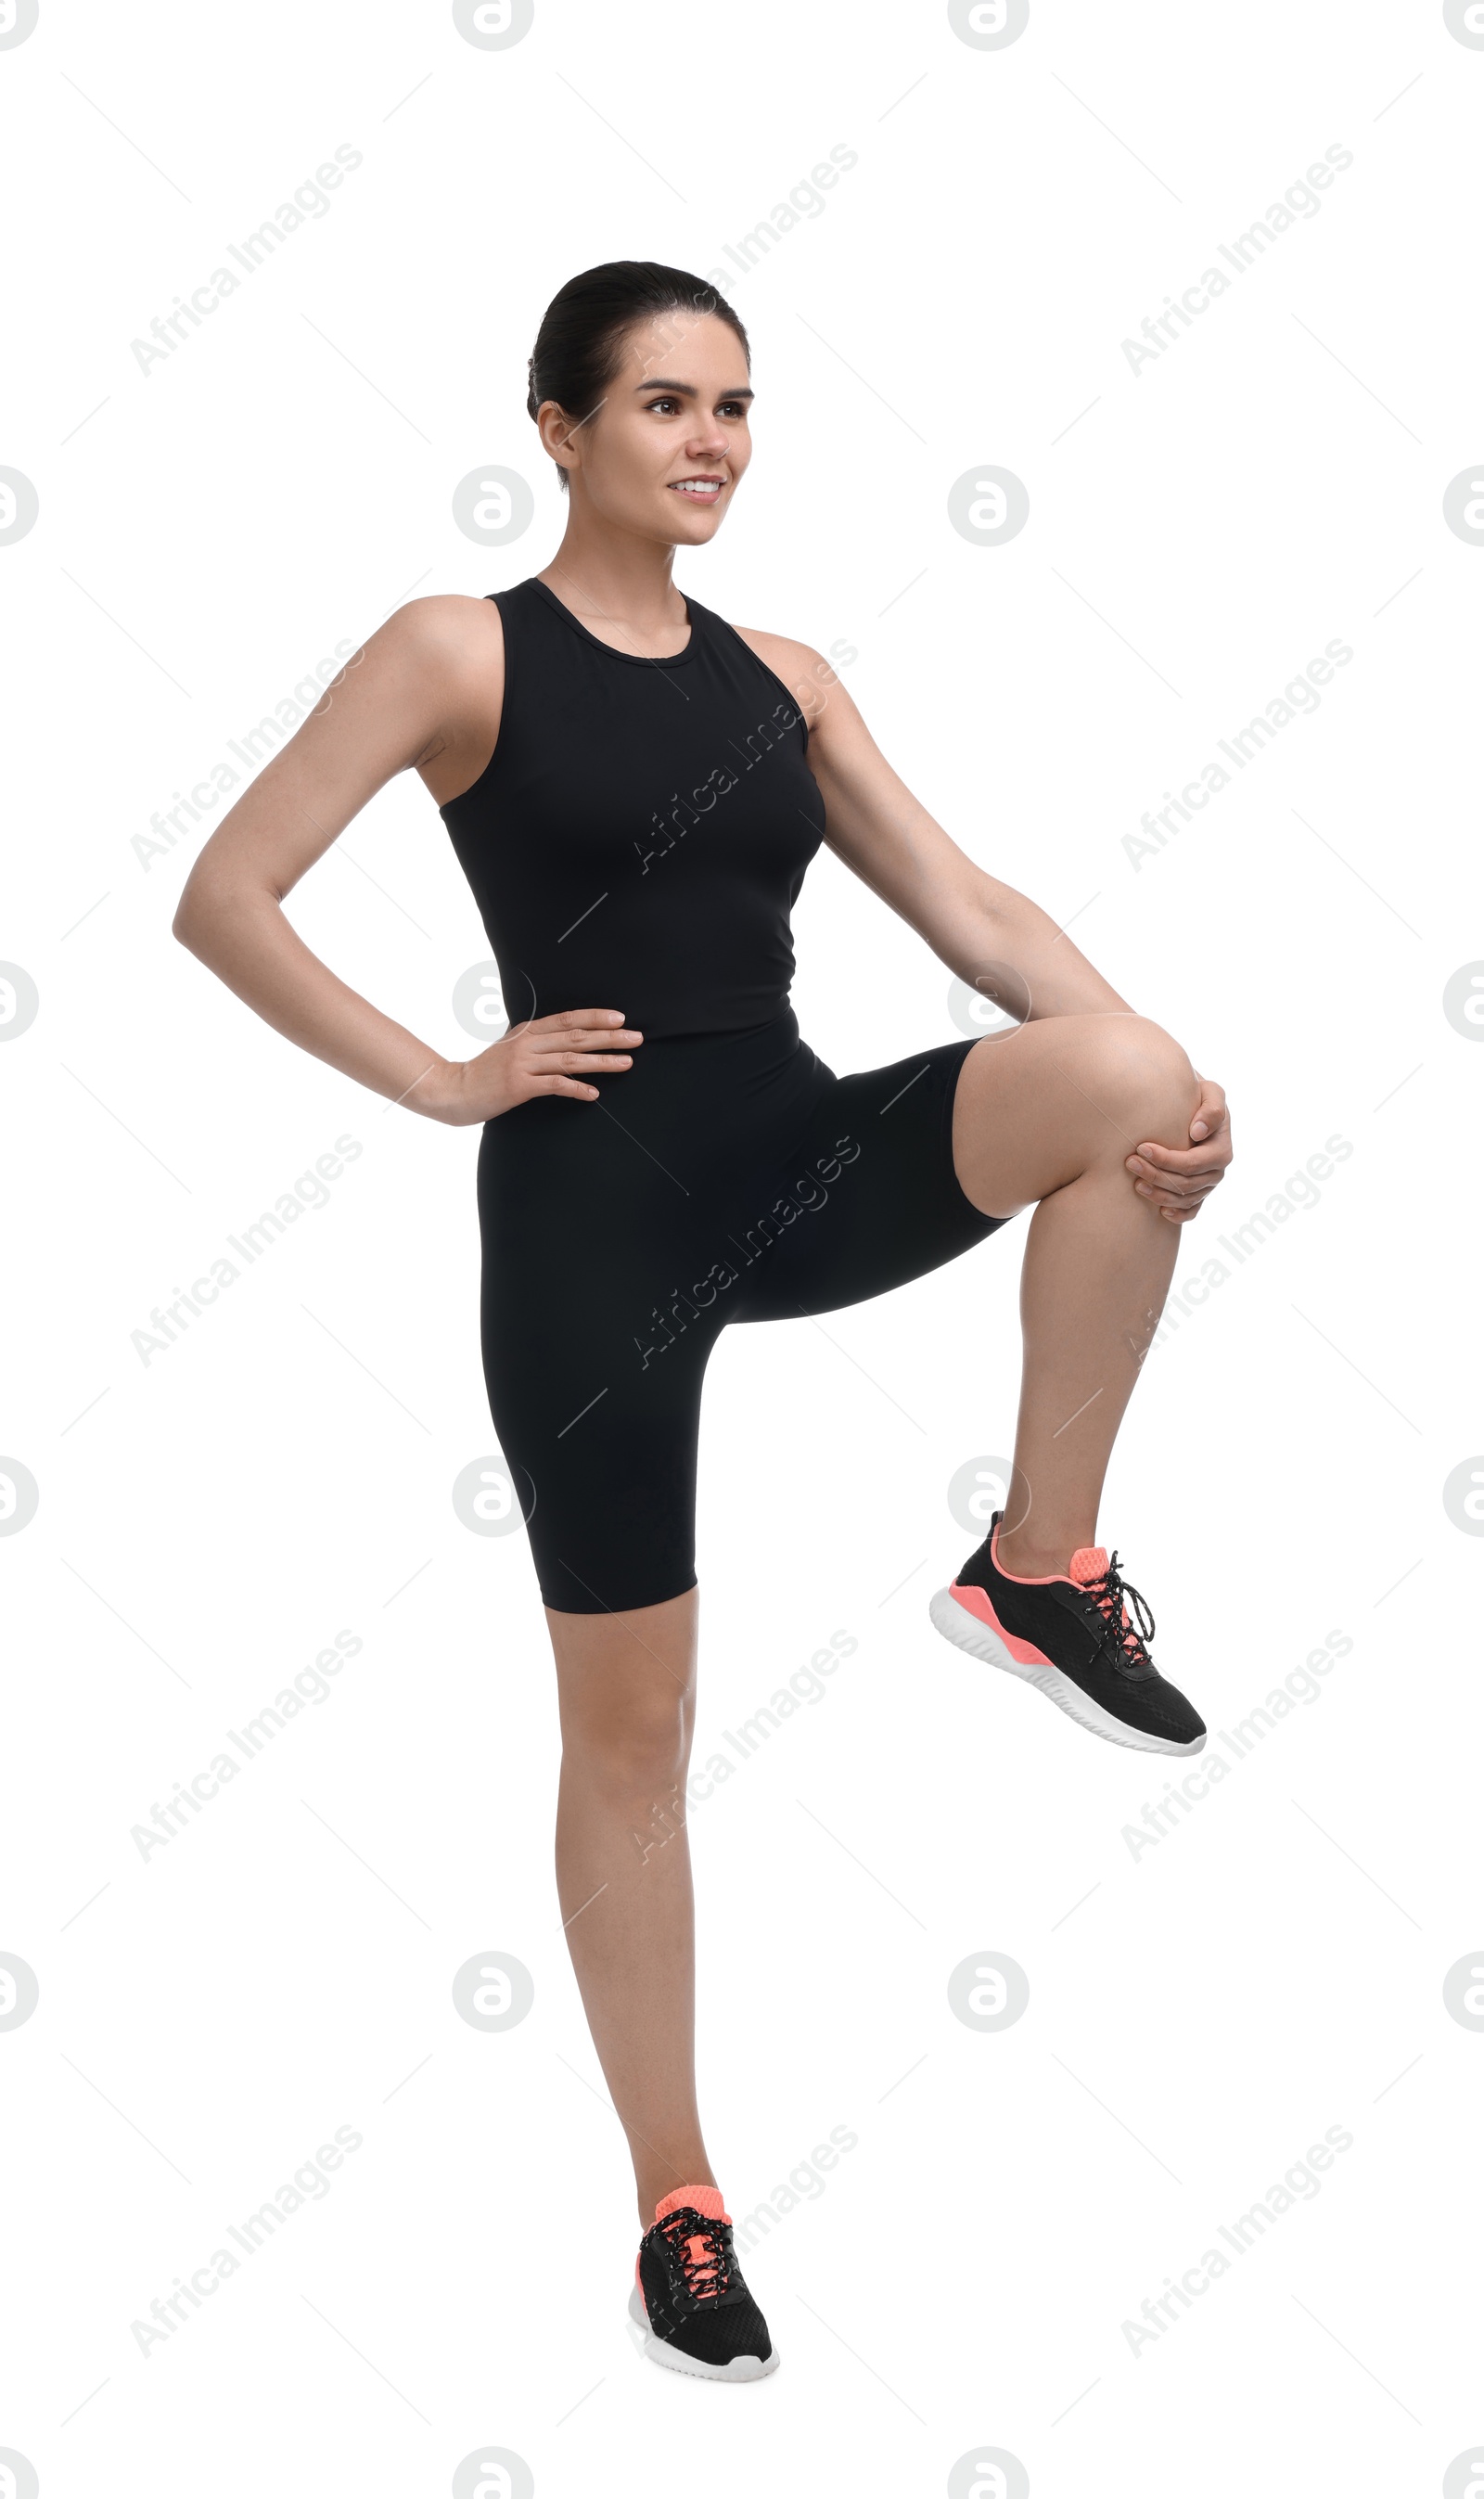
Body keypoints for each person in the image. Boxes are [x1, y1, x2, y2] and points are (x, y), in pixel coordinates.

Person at [173, 260, 1233, 2383]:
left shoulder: (787, 677)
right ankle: (678, 2199)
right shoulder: (454, 649)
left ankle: (1037, 1568)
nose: (708, 441)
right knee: (635, 1738)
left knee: (1128, 1079)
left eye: (733, 406)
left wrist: (1150, 1068)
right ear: (558, 430)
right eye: (662, 404)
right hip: (590, 1220)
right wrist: (450, 1072)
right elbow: (226, 892)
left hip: (791, 1159)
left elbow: (971, 910)